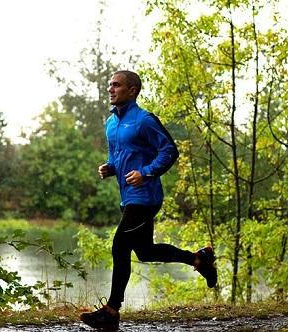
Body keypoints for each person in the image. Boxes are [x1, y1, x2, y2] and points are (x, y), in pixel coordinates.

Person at [80, 70, 218, 330]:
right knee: (144, 251)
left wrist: (146, 173)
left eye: (117, 85)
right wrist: (110, 167)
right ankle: (199, 259)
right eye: (109, 85)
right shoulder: (111, 123)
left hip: (145, 196)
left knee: (120, 245)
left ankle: (111, 312)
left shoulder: (144, 120)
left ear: (132, 90)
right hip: (129, 196)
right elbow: (119, 155)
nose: (111, 89)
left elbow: (169, 150)